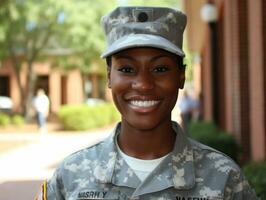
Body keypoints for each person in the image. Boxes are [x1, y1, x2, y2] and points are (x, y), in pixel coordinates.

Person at [35, 6, 258, 200]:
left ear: (181, 76)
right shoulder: (71, 176)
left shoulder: (223, 178)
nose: (143, 84)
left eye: (160, 69)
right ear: (109, 76)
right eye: (126, 69)